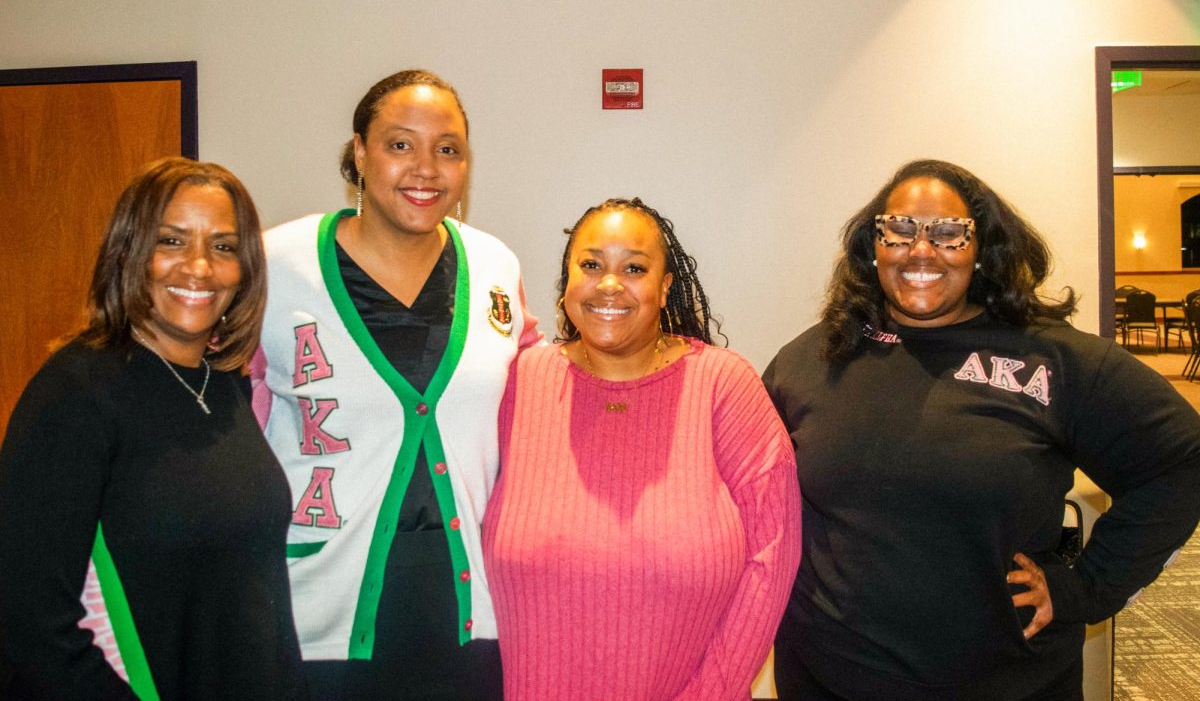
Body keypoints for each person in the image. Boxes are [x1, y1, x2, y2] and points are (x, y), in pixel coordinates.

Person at [763, 159, 1200, 701]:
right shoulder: (812, 358)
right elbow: (756, 503)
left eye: (949, 233)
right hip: (827, 679)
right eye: (898, 230)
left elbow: (1181, 462)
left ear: (982, 248)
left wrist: (1088, 586)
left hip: (1006, 682)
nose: (921, 251)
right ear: (871, 247)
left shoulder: (1052, 358)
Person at [254, 69, 539, 699]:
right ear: (359, 152)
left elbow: (538, 395)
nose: (426, 168)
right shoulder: (275, 265)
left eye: (448, 148)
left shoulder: (496, 266)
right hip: (318, 611)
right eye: (400, 144)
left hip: (469, 614)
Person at [0, 157, 305, 700]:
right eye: (171, 241)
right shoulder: (77, 392)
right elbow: (29, 624)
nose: (199, 268)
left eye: (223, 246)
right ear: (130, 252)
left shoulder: (225, 387)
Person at [483, 198, 801, 701]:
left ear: (664, 287)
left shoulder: (723, 383)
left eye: (634, 268)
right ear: (567, 280)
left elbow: (774, 552)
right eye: (591, 265)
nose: (610, 284)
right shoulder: (516, 382)